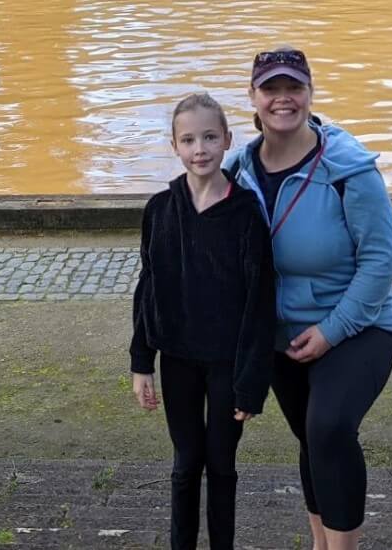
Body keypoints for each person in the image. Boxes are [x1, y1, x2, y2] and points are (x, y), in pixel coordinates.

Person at [225, 49, 392, 550]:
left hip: (358, 323)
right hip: (281, 334)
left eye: (294, 87)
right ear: (253, 99)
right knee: (310, 436)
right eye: (271, 89)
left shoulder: (349, 168)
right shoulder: (237, 172)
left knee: (329, 426)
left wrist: (332, 330)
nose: (284, 99)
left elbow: (381, 261)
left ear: (310, 92)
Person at [131, 93, 276, 550]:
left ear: (228, 141)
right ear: (174, 146)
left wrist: (253, 381)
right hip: (177, 358)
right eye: (189, 139)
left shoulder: (246, 213)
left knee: (222, 462)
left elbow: (260, 302)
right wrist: (141, 361)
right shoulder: (159, 210)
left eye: (210, 137)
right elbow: (148, 286)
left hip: (228, 364)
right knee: (186, 461)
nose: (200, 149)